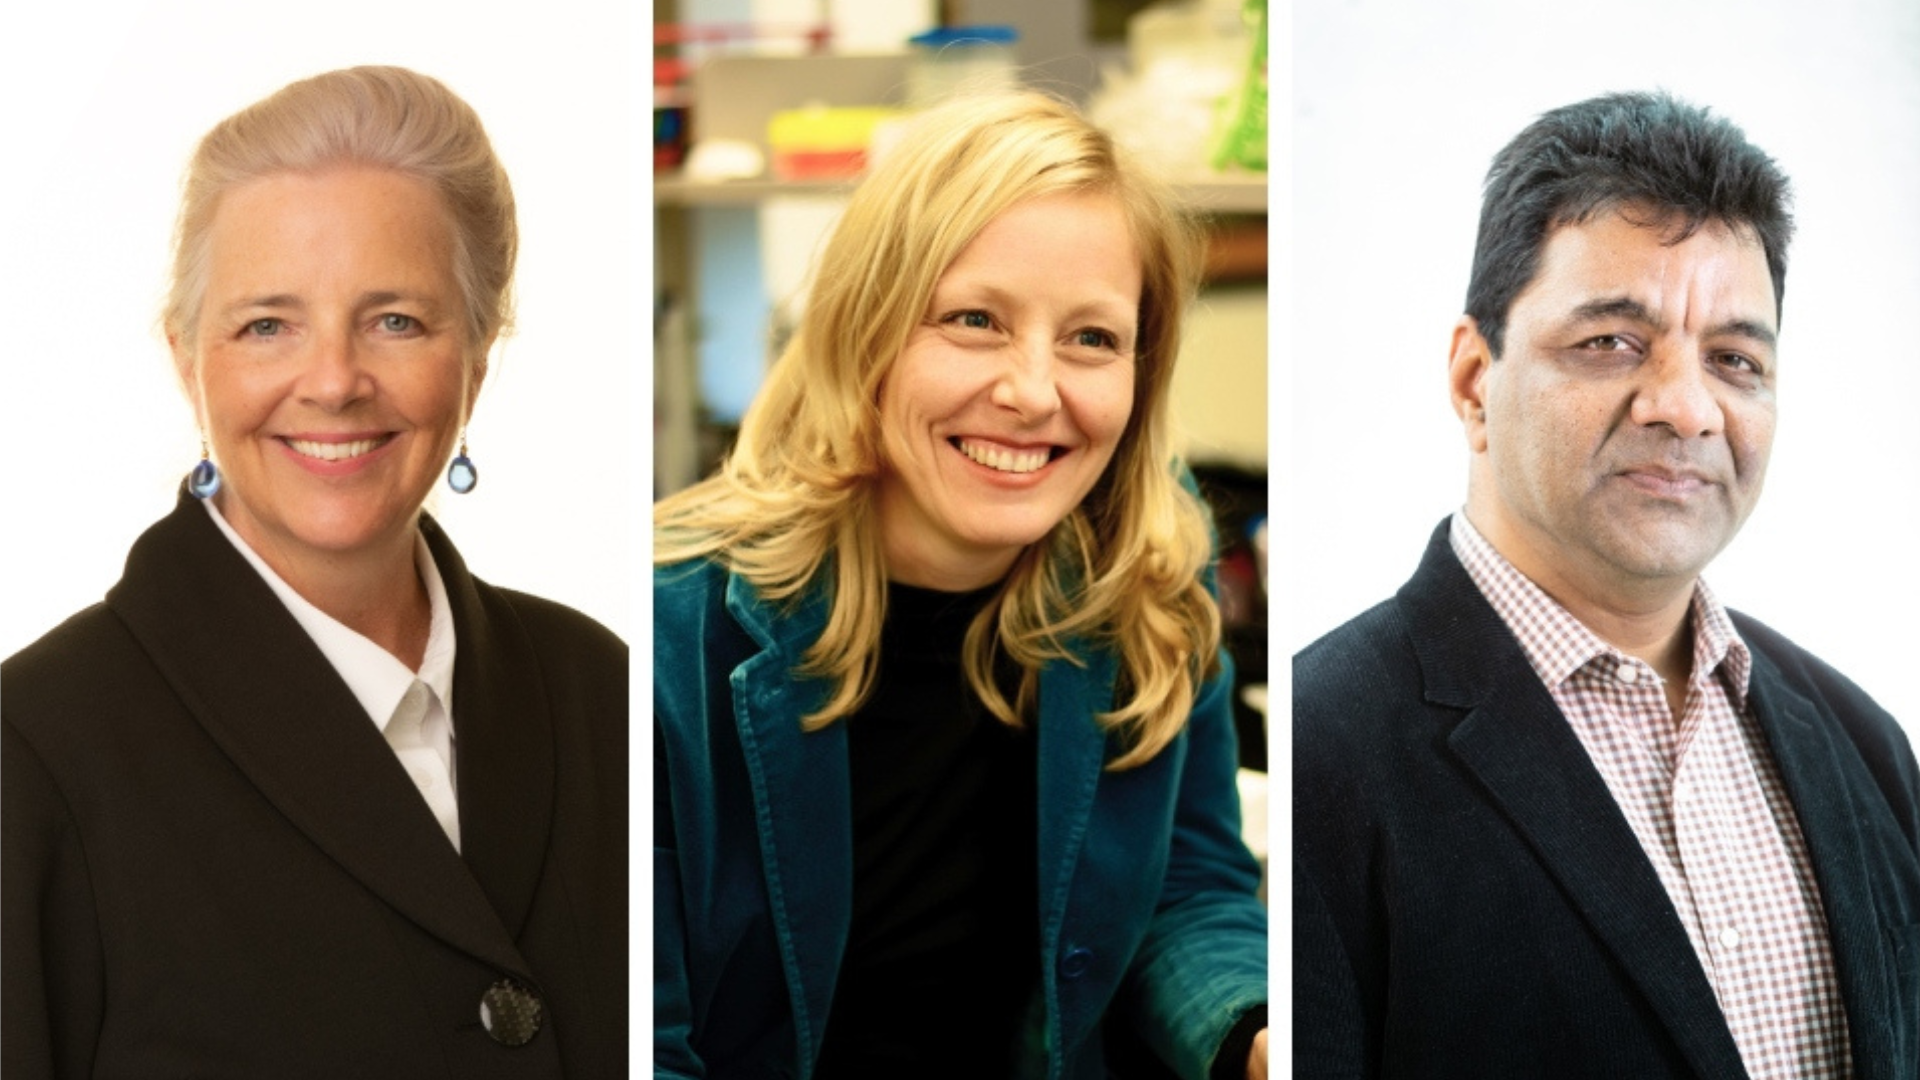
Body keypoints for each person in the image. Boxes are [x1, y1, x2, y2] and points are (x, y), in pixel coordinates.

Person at [1, 67, 627, 1077]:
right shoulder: (31, 753)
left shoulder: (600, 688)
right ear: (185, 358)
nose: (333, 381)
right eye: (266, 326)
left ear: (478, 352)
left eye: (396, 320)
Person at [1293, 90, 1920, 1079]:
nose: (1684, 406)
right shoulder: (1320, 752)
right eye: (1611, 343)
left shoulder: (1866, 747)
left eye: (1734, 359)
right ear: (1472, 380)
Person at [653, 92, 1269, 1079]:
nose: (1034, 392)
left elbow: (1186, 888)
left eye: (1092, 339)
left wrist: (1254, 1032)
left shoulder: (1147, 574)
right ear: (869, 336)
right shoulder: (668, 633)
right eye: (975, 321)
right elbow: (645, 1036)